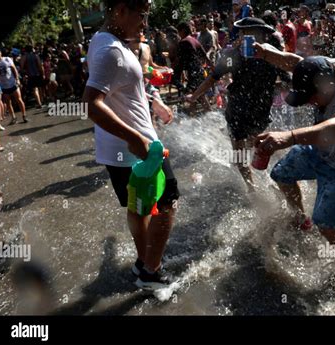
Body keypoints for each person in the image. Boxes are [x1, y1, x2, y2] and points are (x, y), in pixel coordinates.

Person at [82, 0, 180, 289]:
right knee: (167, 202)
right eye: (143, 15)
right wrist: (134, 137)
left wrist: (154, 101)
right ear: (120, 10)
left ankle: (144, 261)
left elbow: (124, 89)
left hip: (118, 151)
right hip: (139, 149)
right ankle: (151, 271)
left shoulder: (105, 40)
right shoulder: (111, 50)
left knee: (139, 207)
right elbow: (90, 103)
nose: (145, 23)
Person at [252, 45, 335, 263]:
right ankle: (301, 219)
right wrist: (264, 53)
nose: (310, 102)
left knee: (325, 222)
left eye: (312, 97)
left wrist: (289, 137)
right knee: (281, 174)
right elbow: (295, 63)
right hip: (320, 149)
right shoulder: (327, 68)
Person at [186, 17, 290, 191]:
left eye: (244, 33)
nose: (241, 36)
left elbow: (213, 78)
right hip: (249, 109)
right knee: (251, 148)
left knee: (245, 150)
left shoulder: (240, 54)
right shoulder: (268, 55)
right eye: (242, 33)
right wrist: (271, 86)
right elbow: (287, 82)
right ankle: (257, 186)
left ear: (260, 35)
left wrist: (195, 96)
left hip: (245, 109)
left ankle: (254, 185)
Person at [174, 22, 212, 111]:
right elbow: (205, 56)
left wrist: (175, 74)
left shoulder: (183, 42)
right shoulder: (194, 40)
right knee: (198, 95)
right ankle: (195, 116)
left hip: (193, 72)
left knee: (194, 95)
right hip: (199, 71)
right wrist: (213, 68)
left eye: (178, 32)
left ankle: (195, 116)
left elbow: (179, 61)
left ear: (182, 31)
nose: (178, 34)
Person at [0, 48, 28, 124]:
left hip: (12, 83)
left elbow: (14, 69)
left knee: (19, 99)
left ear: (1, 53)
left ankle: (24, 115)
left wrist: (17, 79)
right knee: (8, 103)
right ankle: (13, 117)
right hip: (4, 86)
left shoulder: (7, 59)